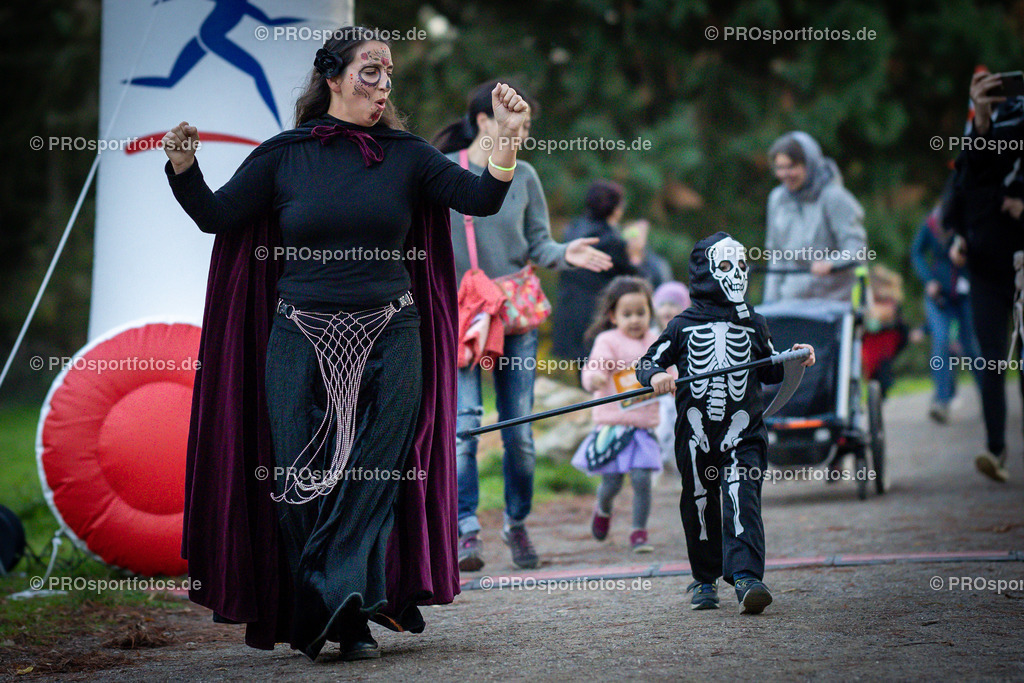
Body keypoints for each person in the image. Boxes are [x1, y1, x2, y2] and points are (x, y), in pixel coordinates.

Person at [162, 27, 528, 661]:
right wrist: (184, 169)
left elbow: (480, 198)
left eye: (388, 75)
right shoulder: (284, 155)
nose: (382, 85)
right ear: (332, 78)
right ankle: (333, 606)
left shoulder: (408, 156)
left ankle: (344, 615)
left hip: (393, 333)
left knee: (370, 477)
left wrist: (506, 140)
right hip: (297, 336)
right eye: (369, 72)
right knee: (299, 478)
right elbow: (216, 216)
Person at [432, 80, 614, 571]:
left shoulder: (526, 175)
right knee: (464, 428)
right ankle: (466, 530)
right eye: (514, 122)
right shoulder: (445, 173)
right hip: (463, 316)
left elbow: (539, 245)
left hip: (513, 316)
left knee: (521, 433)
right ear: (484, 121)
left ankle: (516, 524)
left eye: (528, 125)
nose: (522, 131)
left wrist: (565, 253)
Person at [637, 232, 815, 614]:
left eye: (741, 266)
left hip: (743, 428)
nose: (736, 275)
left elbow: (768, 371)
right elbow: (647, 361)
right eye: (724, 267)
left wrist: (795, 357)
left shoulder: (753, 323)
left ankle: (747, 577)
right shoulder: (681, 325)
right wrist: (654, 377)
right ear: (704, 273)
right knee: (700, 499)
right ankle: (704, 578)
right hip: (695, 430)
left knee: (742, 495)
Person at [947, 70, 1024, 482]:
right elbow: (966, 183)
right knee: (991, 361)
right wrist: (981, 119)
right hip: (985, 265)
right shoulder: (983, 128)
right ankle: (996, 450)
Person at [570, 276, 665, 553]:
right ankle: (603, 507)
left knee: (641, 479)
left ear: (650, 311)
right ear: (613, 315)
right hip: (612, 425)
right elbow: (593, 369)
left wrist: (675, 384)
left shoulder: (656, 341)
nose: (635, 320)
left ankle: (638, 532)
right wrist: (595, 379)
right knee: (611, 482)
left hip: (642, 427)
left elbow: (671, 373)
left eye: (641, 313)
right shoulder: (607, 341)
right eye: (627, 314)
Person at [763, 131, 867, 303]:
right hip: (792, 300)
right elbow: (776, 256)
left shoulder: (833, 197)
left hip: (834, 302)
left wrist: (832, 263)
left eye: (791, 167)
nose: (785, 174)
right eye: (780, 168)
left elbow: (856, 248)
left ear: (809, 164)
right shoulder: (777, 199)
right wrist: (769, 306)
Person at [551, 181, 638, 361]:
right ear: (614, 208)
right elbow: (633, 278)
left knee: (583, 372)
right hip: (595, 318)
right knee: (598, 374)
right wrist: (636, 256)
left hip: (568, 311)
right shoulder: (613, 241)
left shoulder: (573, 229)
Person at [911, 202, 980, 422]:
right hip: (938, 296)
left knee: (971, 347)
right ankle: (941, 402)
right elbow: (916, 253)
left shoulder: (966, 223)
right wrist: (928, 280)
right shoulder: (929, 223)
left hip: (964, 295)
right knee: (940, 342)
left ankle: (989, 399)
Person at [652, 281, 691, 483]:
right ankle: (658, 470)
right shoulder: (651, 337)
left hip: (684, 396)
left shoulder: (688, 336)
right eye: (662, 305)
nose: (667, 309)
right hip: (659, 398)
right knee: (662, 429)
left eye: (673, 304)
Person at [623, 219, 673, 289]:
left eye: (636, 236)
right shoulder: (619, 261)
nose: (632, 240)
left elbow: (664, 290)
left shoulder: (657, 265)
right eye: (631, 236)